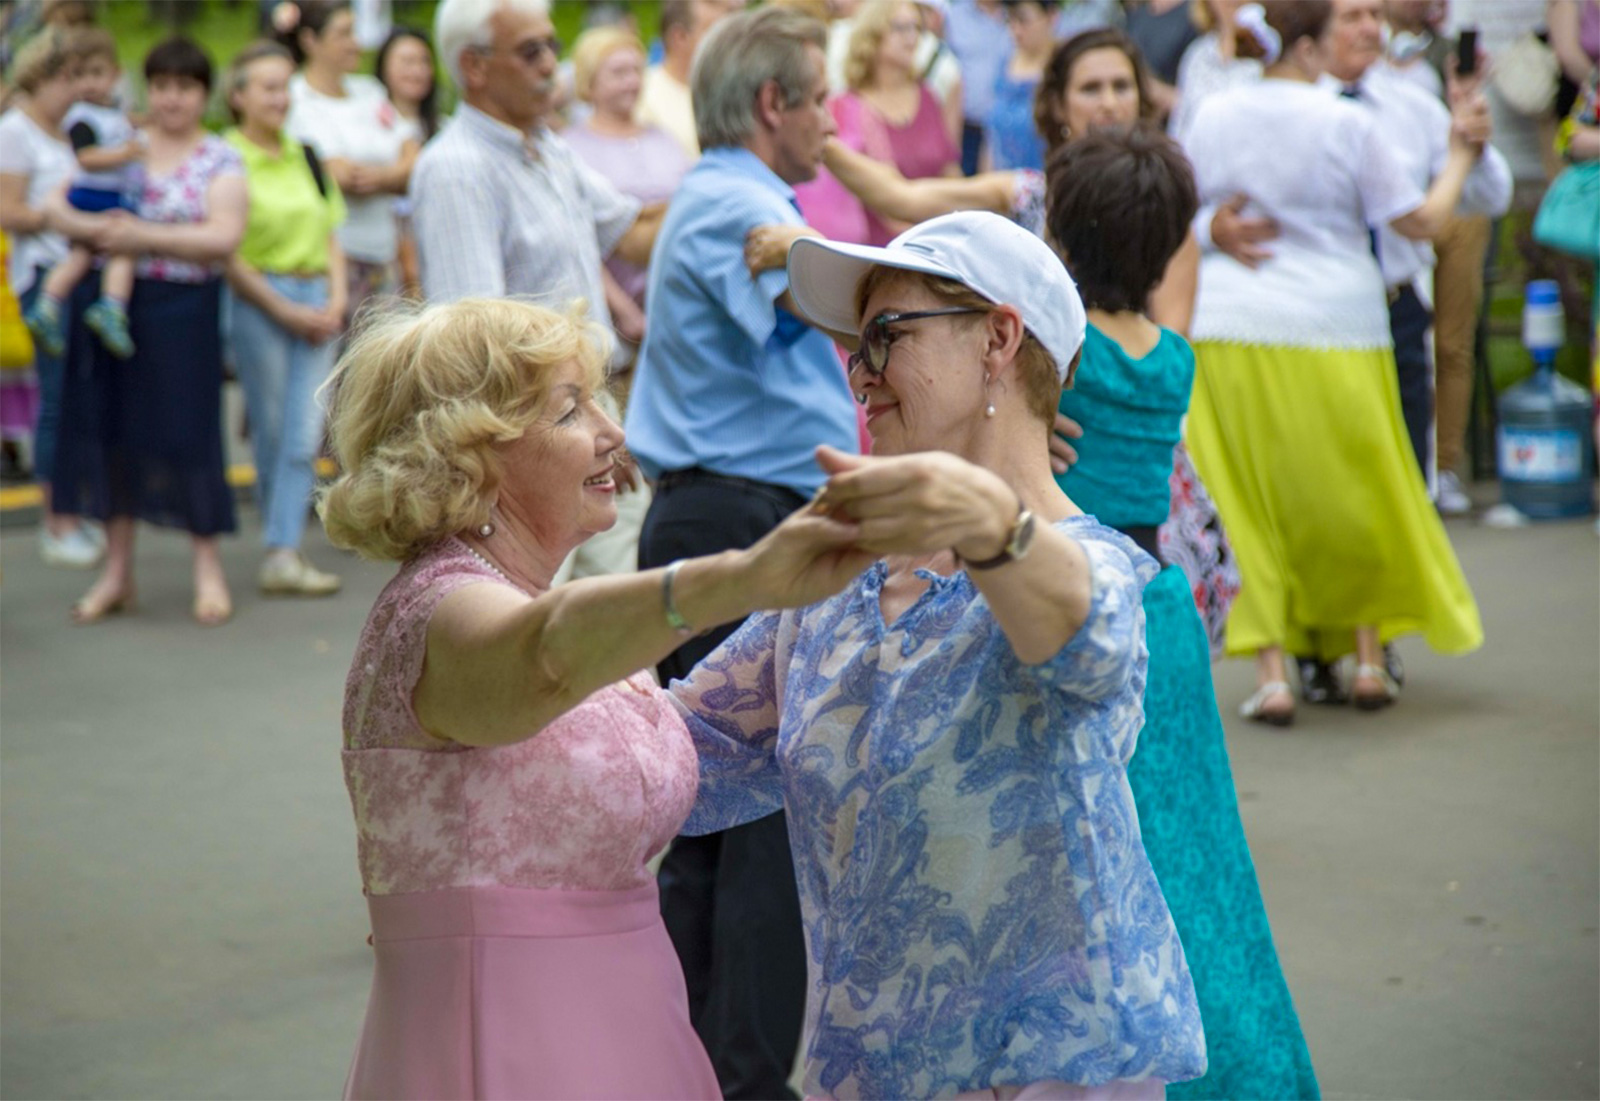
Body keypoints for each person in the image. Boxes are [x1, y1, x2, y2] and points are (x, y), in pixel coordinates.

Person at [674, 209, 1206, 1099]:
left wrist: (986, 523)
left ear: (1000, 337)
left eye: (885, 335)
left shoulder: (1093, 567)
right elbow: (668, 748)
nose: (862, 373)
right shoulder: (837, 585)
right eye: (857, 346)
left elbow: (1088, 640)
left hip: (1050, 1077)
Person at [321, 296, 875, 1100]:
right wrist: (748, 574)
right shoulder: (435, 613)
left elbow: (713, 721)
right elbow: (543, 654)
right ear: (472, 454)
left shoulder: (553, 607)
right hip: (504, 1045)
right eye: (572, 409)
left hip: (632, 1023)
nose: (614, 434)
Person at [1046, 126, 1319, 1100]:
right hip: (1162, 608)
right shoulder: (1168, 358)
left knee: (1114, 854)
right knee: (1196, 854)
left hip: (1087, 596)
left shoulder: (1063, 350)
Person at [622, 9, 860, 1096]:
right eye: (817, 98)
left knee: (714, 819)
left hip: (726, 511)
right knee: (759, 822)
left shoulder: (735, 195)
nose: (829, 120)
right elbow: (829, 303)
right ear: (773, 105)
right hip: (736, 517)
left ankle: (692, 1070)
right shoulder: (734, 200)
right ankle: (745, 1078)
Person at [1182, 0, 1485, 721]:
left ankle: (1274, 672)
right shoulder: (1348, 121)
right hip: (1338, 329)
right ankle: (1370, 660)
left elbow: (1177, 207)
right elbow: (1422, 221)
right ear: (1314, 47)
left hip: (1228, 327)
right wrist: (1462, 155)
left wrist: (1210, 227)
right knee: (1356, 491)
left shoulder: (1215, 111)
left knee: (1247, 503)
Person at [413, 0, 668, 587]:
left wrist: (719, 195)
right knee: (543, 643)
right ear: (473, 67)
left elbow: (632, 234)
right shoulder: (456, 168)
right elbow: (478, 352)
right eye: (531, 51)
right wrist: (585, 428)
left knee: (614, 637)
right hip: (533, 443)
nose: (551, 64)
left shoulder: (548, 148)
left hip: (586, 420)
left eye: (551, 45)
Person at [45, 36, 246, 625]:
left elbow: (223, 236)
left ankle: (207, 566)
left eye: (183, 87)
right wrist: (98, 228)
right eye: (160, 86)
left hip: (183, 306)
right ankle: (117, 571)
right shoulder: (120, 145)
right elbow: (56, 202)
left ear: (203, 95)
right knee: (110, 432)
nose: (170, 99)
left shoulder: (218, 157)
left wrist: (144, 237)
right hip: (113, 303)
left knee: (189, 434)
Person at [1321, 0, 1511, 515]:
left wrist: (1469, 139)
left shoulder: (1410, 102)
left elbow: (1491, 196)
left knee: (1407, 479)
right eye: (1351, 16)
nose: (1368, 28)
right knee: (1333, 478)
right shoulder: (1290, 105)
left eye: (1375, 15)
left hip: (1396, 305)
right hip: (1321, 311)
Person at [223, 40, 349, 598]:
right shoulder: (225, 157)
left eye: (284, 86)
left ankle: (281, 550)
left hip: (317, 291)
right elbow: (228, 251)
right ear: (239, 96)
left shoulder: (306, 153)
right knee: (274, 430)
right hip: (260, 298)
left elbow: (330, 230)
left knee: (302, 432)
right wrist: (284, 308)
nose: (280, 98)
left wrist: (336, 299)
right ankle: (281, 540)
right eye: (267, 87)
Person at [0, 27, 101, 568]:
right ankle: (55, 520)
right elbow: (7, 209)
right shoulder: (15, 132)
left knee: (78, 398)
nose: (76, 89)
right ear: (40, 79)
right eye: (67, 78)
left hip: (79, 272)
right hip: (43, 275)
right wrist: (65, 219)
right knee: (57, 400)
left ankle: (74, 508)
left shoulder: (69, 132)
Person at [280, 0, 417, 321]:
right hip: (338, 258)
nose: (355, 42)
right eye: (343, 33)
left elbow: (414, 153)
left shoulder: (369, 90)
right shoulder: (297, 99)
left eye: (354, 32)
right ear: (310, 40)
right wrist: (396, 177)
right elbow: (339, 176)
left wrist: (381, 178)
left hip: (385, 253)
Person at [798, 0, 960, 247]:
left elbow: (950, 170)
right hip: (888, 248)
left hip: (939, 238)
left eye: (917, 28)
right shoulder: (850, 106)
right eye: (902, 28)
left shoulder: (927, 95)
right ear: (873, 34)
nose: (912, 37)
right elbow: (887, 204)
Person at [23, 28, 142, 361]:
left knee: (82, 257)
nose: (89, 83)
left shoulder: (113, 113)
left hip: (104, 198)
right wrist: (126, 153)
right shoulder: (82, 118)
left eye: (97, 73)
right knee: (119, 250)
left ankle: (52, 306)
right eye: (81, 75)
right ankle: (108, 305)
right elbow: (86, 156)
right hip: (95, 197)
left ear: (116, 75)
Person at [563, 25, 692, 328]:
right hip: (613, 320)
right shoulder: (570, 148)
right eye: (619, 73)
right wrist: (624, 312)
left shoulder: (663, 138)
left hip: (677, 308)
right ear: (590, 81)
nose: (632, 81)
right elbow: (576, 241)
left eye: (637, 70)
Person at [372, 25, 436, 299]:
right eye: (407, 62)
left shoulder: (442, 126)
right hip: (384, 255)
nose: (417, 70)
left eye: (424, 61)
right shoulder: (369, 125)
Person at [637, 0, 739, 158]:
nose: (728, 41)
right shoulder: (641, 94)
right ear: (680, 37)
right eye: (714, 32)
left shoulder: (734, 90)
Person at [985, 0, 1057, 170]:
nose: (1016, 30)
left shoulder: (1061, 68)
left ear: (1050, 17)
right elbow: (991, 137)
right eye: (1010, 20)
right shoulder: (1004, 63)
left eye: (1024, 21)